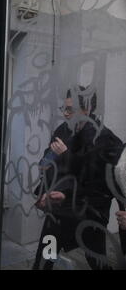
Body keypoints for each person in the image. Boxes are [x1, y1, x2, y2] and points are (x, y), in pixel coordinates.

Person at [32, 87, 125, 270]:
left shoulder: (105, 139)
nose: (66, 114)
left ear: (87, 110)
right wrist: (44, 193)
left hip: (88, 214)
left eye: (70, 109)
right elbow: (49, 163)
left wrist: (66, 156)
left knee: (97, 261)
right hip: (59, 212)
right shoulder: (63, 130)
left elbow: (100, 182)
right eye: (64, 109)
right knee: (44, 259)